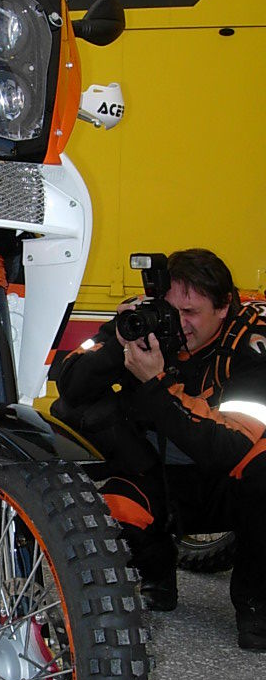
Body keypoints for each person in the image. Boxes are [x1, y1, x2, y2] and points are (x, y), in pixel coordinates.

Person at [52, 248, 266, 651]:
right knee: (111, 494)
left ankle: (257, 604)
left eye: (191, 312)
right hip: (156, 475)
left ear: (224, 307)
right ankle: (155, 573)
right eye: (171, 310)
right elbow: (69, 386)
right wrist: (117, 343)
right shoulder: (144, 320)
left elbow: (229, 448)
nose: (177, 323)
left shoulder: (251, 343)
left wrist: (156, 385)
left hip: (224, 484)